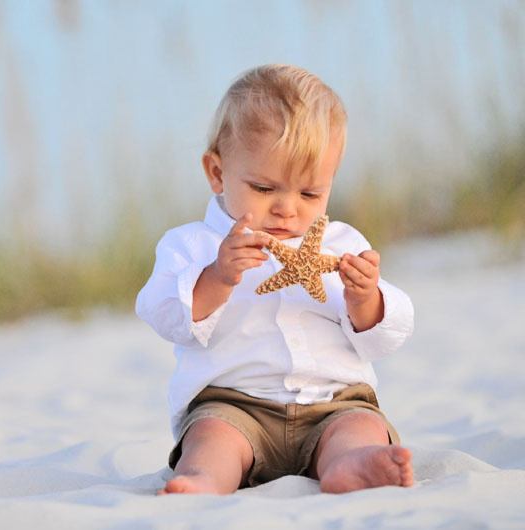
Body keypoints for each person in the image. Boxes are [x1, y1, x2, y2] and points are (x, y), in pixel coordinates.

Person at [135, 64, 415, 495]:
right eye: (265, 188)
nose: (288, 209)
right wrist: (216, 278)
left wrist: (366, 301)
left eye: (309, 194)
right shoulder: (194, 245)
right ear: (216, 172)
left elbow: (383, 339)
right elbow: (164, 314)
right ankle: (203, 480)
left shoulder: (343, 244)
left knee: (359, 426)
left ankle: (350, 464)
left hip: (333, 403)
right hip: (233, 404)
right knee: (212, 439)